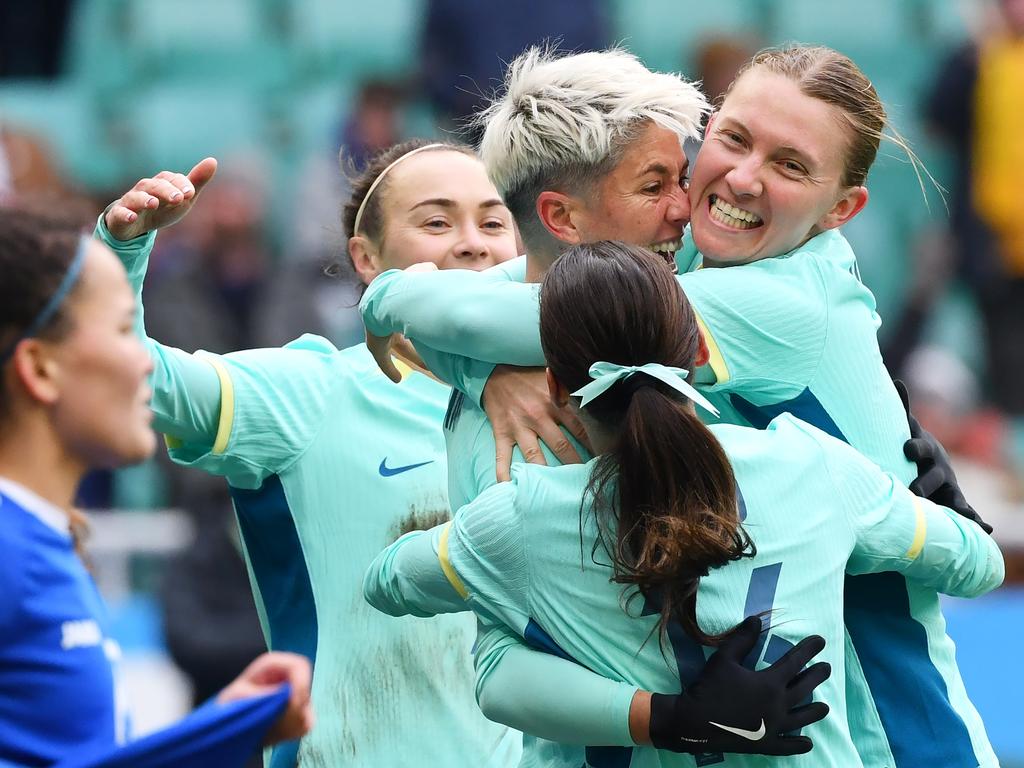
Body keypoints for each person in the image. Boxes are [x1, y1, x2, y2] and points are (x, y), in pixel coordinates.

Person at [358, 46, 997, 766]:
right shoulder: (677, 257)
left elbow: (486, 318)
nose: (744, 178)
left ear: (841, 209)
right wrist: (484, 375)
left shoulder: (778, 301)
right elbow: (490, 307)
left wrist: (393, 304)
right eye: (733, 139)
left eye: (790, 165)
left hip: (887, 733)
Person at [99, 140, 832, 767]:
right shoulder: (308, 391)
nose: (473, 242)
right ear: (367, 258)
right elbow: (129, 379)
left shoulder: (592, 400)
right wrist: (121, 252)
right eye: (435, 222)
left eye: (491, 220)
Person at [0, 208, 312, 767]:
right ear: (41, 370)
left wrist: (221, 729)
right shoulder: (10, 551)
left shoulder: (42, 540)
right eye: (124, 330)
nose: (146, 361)